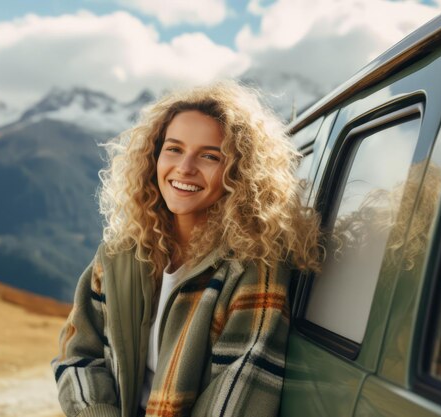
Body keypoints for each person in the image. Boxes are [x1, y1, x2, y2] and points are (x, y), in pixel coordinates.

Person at [51, 80, 321, 417]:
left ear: (239, 171)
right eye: (174, 148)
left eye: (210, 156)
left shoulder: (254, 267)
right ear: (154, 157)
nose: (185, 168)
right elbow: (78, 353)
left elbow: (237, 394)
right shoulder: (120, 255)